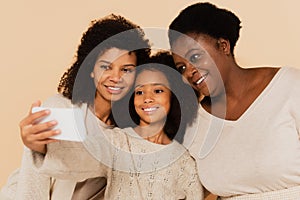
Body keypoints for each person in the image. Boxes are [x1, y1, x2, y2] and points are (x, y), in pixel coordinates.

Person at [0, 14, 150, 200]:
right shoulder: (61, 109)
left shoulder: (129, 129)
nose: (116, 77)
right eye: (106, 67)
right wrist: (39, 147)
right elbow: (32, 182)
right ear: (90, 69)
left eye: (126, 69)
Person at [24, 51, 203, 199]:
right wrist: (40, 146)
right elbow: (80, 155)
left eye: (158, 90)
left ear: (174, 96)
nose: (147, 98)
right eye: (139, 91)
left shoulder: (185, 162)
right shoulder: (117, 142)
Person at [168, 2, 300, 199]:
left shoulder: (289, 86)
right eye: (181, 68)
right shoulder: (195, 123)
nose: (190, 72)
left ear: (223, 46)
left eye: (195, 56)